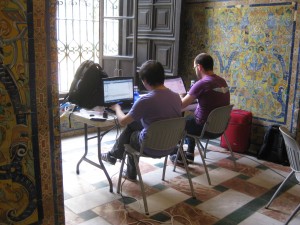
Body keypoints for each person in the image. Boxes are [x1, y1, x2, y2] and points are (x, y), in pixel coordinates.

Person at [101, 60, 182, 181]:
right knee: (134, 123)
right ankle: (113, 155)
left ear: (145, 81)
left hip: (150, 147)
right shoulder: (177, 97)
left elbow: (123, 121)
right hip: (170, 145)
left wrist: (117, 108)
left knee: (131, 132)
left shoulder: (145, 100)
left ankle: (127, 169)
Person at [170, 53, 230, 164]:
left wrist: (178, 95)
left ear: (199, 67)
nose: (195, 70)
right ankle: (190, 153)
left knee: (179, 123)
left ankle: (177, 155)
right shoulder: (222, 81)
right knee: (192, 118)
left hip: (204, 128)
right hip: (220, 128)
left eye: (194, 68)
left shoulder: (202, 84)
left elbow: (181, 105)